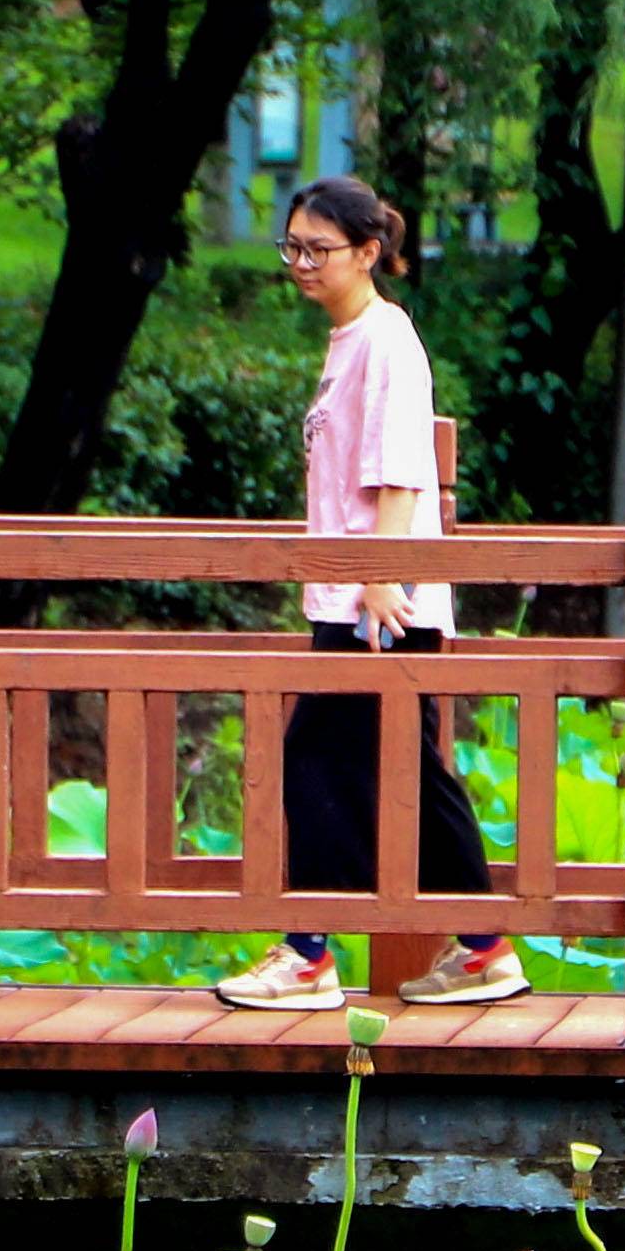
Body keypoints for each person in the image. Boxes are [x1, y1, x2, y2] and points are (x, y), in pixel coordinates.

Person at [217, 175, 526, 1010]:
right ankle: (483, 948)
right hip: (355, 594)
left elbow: (396, 472)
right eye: (292, 248)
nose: (301, 264)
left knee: (316, 758)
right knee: (405, 772)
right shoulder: (348, 338)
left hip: (376, 603)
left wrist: (381, 579)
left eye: (318, 250)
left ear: (367, 251)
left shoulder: (386, 338)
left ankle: (309, 952)